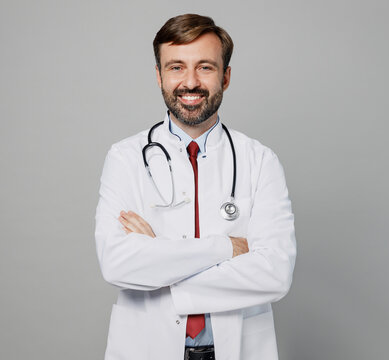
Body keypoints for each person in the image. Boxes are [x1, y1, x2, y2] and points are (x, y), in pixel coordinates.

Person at [95, 13, 296, 360]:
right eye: (176, 68)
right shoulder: (124, 158)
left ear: (226, 76)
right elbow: (117, 265)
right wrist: (227, 248)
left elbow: (275, 273)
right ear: (159, 76)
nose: (190, 82)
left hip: (238, 348)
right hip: (146, 347)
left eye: (205, 67)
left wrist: (158, 256)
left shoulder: (260, 160)